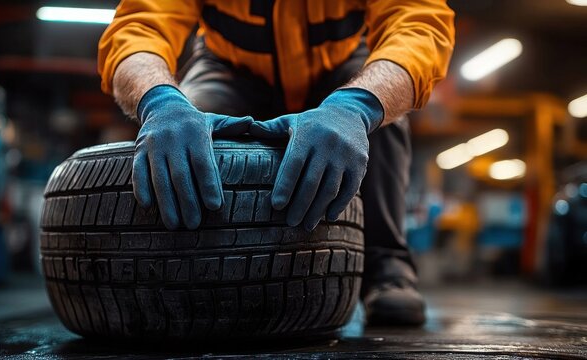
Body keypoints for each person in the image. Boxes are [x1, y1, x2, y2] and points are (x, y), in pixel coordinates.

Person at [98, 0, 455, 326]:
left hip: (341, 68)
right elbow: (140, 27)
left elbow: (419, 23)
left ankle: (386, 265)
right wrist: (158, 100)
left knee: (382, 115)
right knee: (186, 129)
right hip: (229, 68)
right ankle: (185, 258)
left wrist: (359, 106)